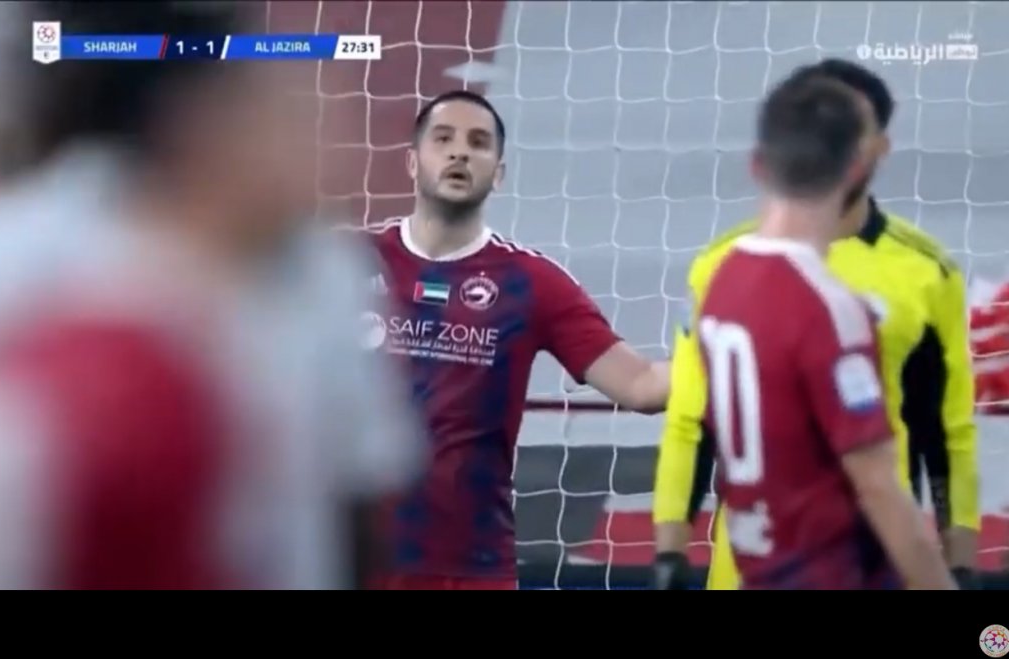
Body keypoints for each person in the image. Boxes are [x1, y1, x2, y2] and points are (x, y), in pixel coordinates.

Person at [0, 1, 422, 589]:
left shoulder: (325, 272)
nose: (316, 140)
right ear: (200, 120)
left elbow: (359, 494)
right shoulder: (22, 256)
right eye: (278, 113)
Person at [653, 59, 978, 590]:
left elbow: (945, 429)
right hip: (840, 572)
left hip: (755, 562)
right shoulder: (830, 307)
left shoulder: (729, 274)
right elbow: (873, 483)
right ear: (855, 161)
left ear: (759, 163)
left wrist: (961, 554)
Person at [360, 89, 670, 590]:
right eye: (444, 139)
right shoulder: (344, 262)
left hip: (472, 570)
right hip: (347, 563)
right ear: (412, 162)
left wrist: (739, 348)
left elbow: (641, 386)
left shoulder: (532, 283)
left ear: (498, 173)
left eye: (478, 143)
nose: (460, 153)